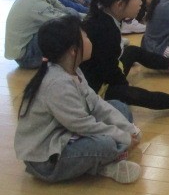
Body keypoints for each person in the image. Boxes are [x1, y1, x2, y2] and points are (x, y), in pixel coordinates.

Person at [14, 15, 142, 184]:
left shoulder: (72, 69)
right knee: (106, 144)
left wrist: (129, 129)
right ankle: (104, 164)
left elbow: (96, 103)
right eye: (86, 37)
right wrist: (123, 137)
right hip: (46, 159)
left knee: (120, 108)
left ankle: (105, 158)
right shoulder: (57, 84)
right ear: (73, 50)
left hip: (68, 132)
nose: (90, 40)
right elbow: (84, 125)